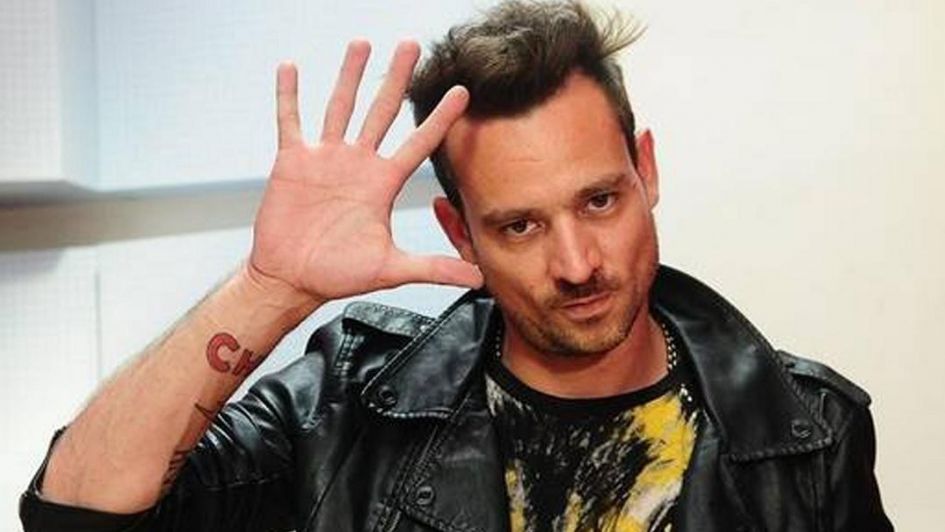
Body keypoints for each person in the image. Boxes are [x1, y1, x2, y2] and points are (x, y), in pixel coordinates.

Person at [20, 1, 892, 531]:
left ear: (646, 171)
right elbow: (72, 513)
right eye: (519, 225)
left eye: (599, 200)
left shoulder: (808, 434)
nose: (577, 263)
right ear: (458, 230)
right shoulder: (348, 406)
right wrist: (268, 290)